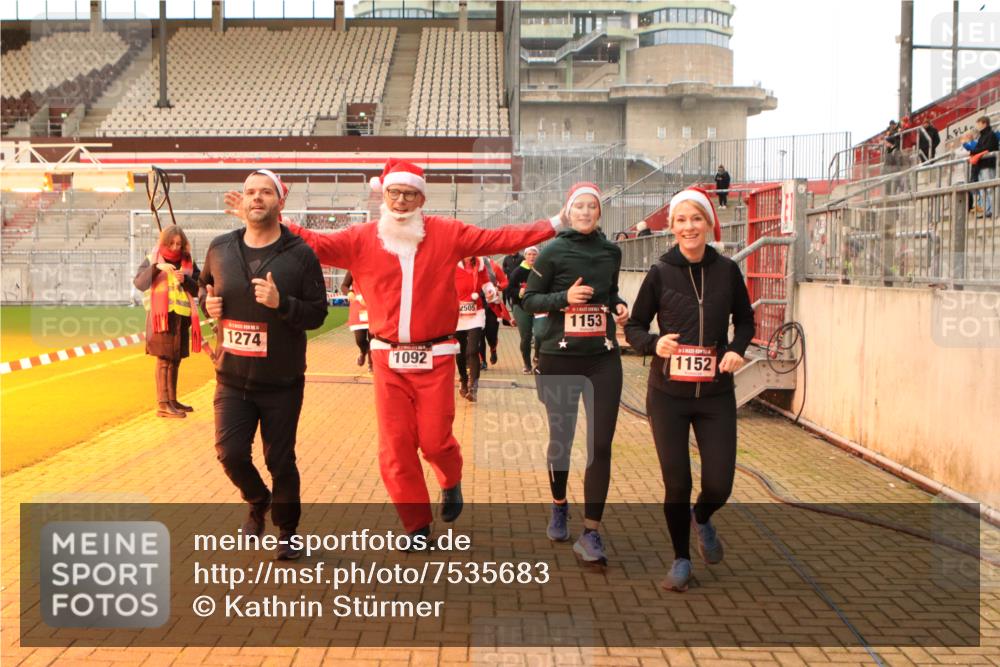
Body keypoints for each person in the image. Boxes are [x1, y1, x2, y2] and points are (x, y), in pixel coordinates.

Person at [239, 158, 565, 542]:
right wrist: (272, 216)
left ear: (421, 198)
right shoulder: (362, 238)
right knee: (395, 446)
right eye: (394, 193)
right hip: (387, 358)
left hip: (438, 355)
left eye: (410, 194)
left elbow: (499, 239)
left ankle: (450, 477)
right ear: (385, 194)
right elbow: (317, 243)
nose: (401, 201)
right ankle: (415, 525)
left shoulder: (447, 233)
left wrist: (554, 223)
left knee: (435, 439)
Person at [624, 187, 754, 592]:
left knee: (720, 483)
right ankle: (681, 559)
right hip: (668, 395)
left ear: (709, 223)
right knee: (676, 482)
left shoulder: (727, 271)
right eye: (680, 220)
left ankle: (703, 515)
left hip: (715, 393)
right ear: (672, 228)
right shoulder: (660, 272)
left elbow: (746, 321)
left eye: (696, 218)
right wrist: (652, 344)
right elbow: (634, 326)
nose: (688, 227)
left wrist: (735, 350)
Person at [204, 169, 328, 560]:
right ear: (241, 201)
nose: (256, 198)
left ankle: (288, 531)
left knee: (280, 459)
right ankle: (258, 500)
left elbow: (318, 313)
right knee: (231, 454)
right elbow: (206, 287)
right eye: (250, 192)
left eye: (265, 192)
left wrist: (282, 304)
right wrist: (207, 305)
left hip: (282, 382)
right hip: (232, 378)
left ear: (280, 201)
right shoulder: (220, 247)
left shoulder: (300, 254)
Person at [521, 182, 629, 569]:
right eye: (578, 207)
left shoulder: (611, 251)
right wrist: (563, 299)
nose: (585, 212)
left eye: (591, 207)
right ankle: (559, 506)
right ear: (568, 212)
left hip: (602, 358)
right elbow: (528, 299)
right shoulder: (551, 251)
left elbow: (610, 292)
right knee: (562, 440)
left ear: (599, 213)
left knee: (600, 445)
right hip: (559, 357)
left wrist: (619, 307)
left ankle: (591, 532)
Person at [133, 224, 203, 418]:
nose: (174, 247)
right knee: (164, 359)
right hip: (160, 318)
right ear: (163, 242)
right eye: (171, 243)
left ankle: (172, 400)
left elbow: (199, 288)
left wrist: (186, 280)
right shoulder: (151, 260)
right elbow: (140, 283)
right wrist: (156, 268)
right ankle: (163, 404)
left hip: (181, 317)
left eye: (178, 244)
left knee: (175, 359)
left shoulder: (188, 263)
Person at [454, 256, 492, 402]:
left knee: (472, 350)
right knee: (460, 350)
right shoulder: (453, 265)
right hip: (457, 314)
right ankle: (463, 379)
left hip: (476, 312)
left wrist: (491, 293)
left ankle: (473, 387)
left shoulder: (481, 265)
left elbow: (487, 284)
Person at [505, 246, 540, 374]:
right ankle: (527, 364)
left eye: (534, 254)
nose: (532, 257)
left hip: (539, 307)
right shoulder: (517, 272)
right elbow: (509, 290)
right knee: (526, 337)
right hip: (521, 307)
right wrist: (518, 292)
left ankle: (537, 357)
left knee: (541, 335)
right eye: (529, 254)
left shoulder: (542, 271)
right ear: (525, 256)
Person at [478, 255, 509, 370]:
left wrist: (497, 288)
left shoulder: (494, 266)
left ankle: (493, 349)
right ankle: (482, 361)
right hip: (477, 305)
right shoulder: (470, 266)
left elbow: (505, 282)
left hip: (491, 305)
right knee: (478, 335)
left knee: (491, 334)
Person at [966, 115, 998, 217]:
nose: (978, 126)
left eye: (979, 123)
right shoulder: (981, 136)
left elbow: (988, 148)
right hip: (980, 166)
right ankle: (987, 210)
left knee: (990, 189)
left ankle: (995, 210)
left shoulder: (991, 134)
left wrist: (974, 152)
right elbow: (979, 148)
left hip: (988, 165)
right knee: (983, 190)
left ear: (984, 123)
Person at [341, 270, 372, 372]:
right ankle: (363, 351)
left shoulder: (377, 265)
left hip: (374, 307)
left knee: (373, 339)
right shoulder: (353, 267)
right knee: (360, 340)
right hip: (358, 307)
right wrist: (349, 293)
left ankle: (371, 365)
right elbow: (344, 286)